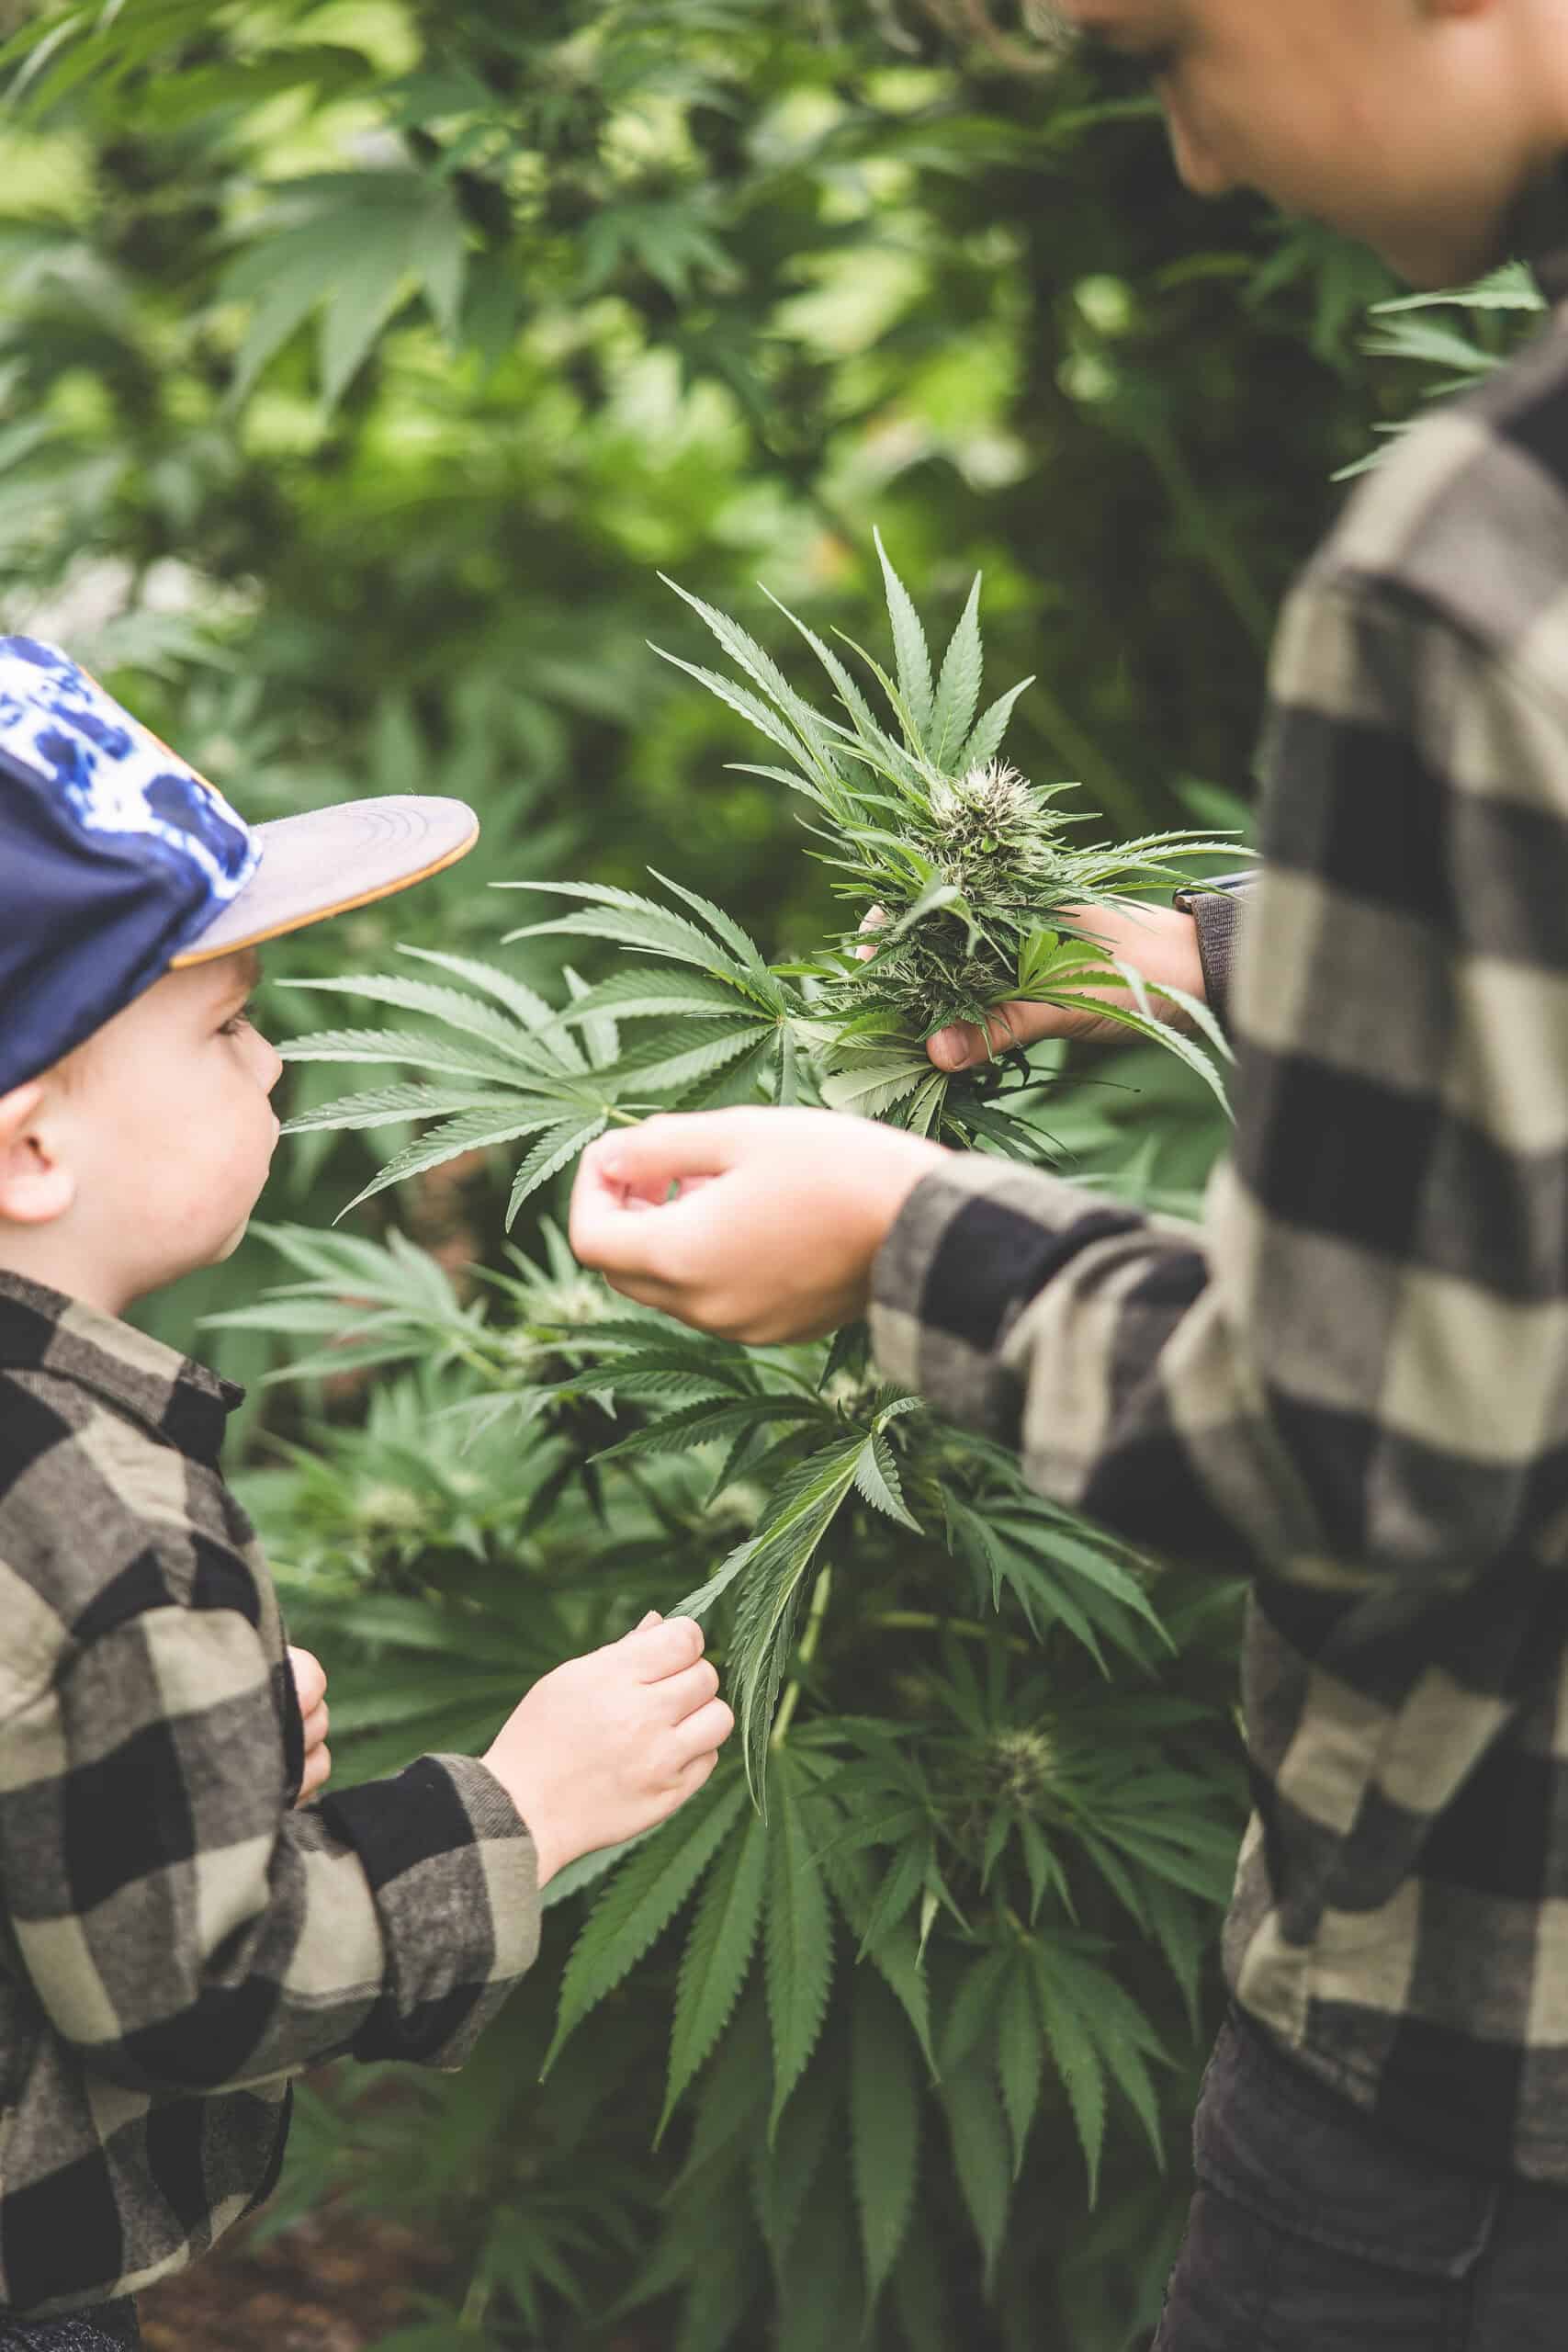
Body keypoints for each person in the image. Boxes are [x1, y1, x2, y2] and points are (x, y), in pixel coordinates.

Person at [567, 2, 1568, 2343]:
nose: (1193, 157)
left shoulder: (1482, 560)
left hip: (1478, 2069)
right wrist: (1245, 953)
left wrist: (900, 1236)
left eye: (1158, 47)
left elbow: (1349, 1437)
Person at [0, 636, 733, 2347]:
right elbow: (196, 1989)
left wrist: (175, 1773)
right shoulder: (99, 1512)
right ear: (34, 1147)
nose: (272, 1068)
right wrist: (523, 1803)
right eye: (228, 1025)